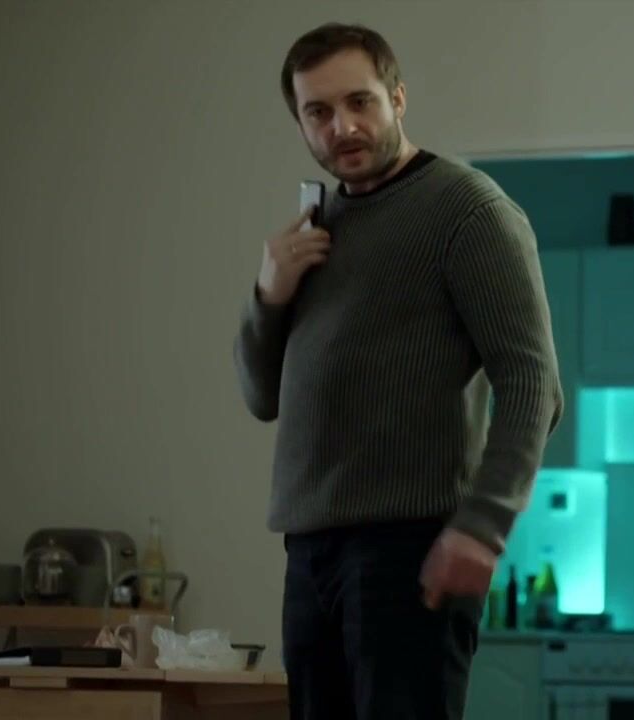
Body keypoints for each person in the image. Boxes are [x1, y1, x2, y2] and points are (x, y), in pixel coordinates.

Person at [232, 21, 563, 720]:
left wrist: (485, 524)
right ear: (301, 123)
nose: (342, 127)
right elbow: (261, 397)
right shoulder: (315, 229)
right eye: (318, 112)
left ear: (398, 98)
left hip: (410, 547)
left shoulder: (467, 210)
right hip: (310, 551)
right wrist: (269, 293)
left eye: (360, 102)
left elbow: (534, 385)